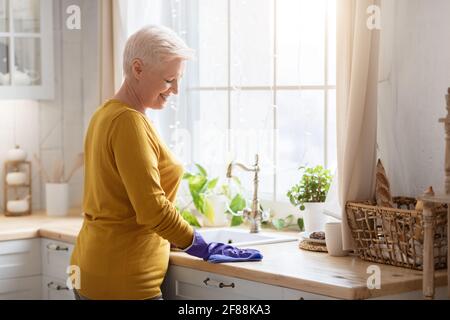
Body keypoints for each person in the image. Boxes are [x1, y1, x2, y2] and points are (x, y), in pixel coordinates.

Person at [70, 25, 262, 300]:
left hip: (91, 269)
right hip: (124, 282)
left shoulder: (105, 113)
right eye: (169, 79)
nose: (176, 90)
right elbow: (152, 209)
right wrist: (200, 245)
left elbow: (120, 200)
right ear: (138, 69)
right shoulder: (129, 122)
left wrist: (177, 236)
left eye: (178, 79)